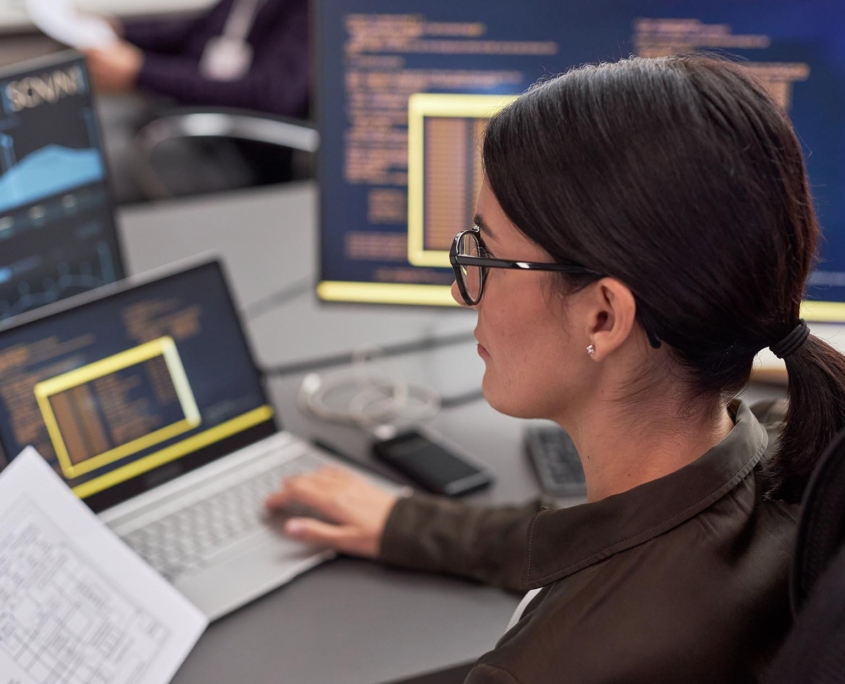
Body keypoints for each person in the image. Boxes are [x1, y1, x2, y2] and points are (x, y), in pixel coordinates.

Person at [265, 54, 845, 683]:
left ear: (602, 317)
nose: (463, 292)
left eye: (486, 254)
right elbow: (606, 535)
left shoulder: (541, 669)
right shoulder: (796, 455)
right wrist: (407, 524)